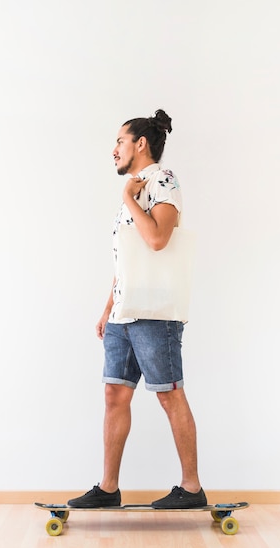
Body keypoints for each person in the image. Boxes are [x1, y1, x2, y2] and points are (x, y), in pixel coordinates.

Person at [68, 109, 206, 509]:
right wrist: (107, 308)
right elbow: (127, 258)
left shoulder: (162, 181)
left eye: (120, 142)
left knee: (169, 395)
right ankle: (108, 488)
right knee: (115, 394)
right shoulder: (135, 186)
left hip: (154, 313)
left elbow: (159, 240)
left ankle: (193, 489)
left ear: (140, 143)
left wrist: (129, 198)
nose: (114, 150)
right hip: (124, 312)